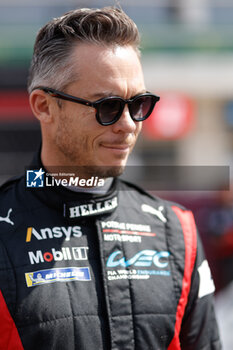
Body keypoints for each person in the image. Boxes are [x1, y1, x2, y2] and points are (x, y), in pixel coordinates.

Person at [0, 6, 221, 350]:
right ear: (44, 106)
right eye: (107, 106)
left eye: (139, 104)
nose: (129, 124)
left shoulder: (177, 232)